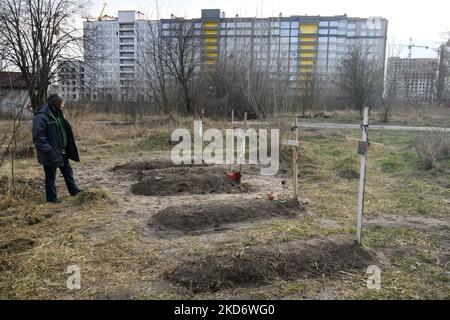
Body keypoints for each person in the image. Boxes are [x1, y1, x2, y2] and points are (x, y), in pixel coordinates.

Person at [32, 94, 83, 203]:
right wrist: (49, 150)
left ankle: (74, 190)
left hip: (62, 150)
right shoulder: (41, 116)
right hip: (50, 152)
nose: (63, 105)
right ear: (56, 104)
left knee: (68, 171)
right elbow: (38, 137)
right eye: (62, 103)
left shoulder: (59, 114)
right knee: (51, 175)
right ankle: (51, 198)